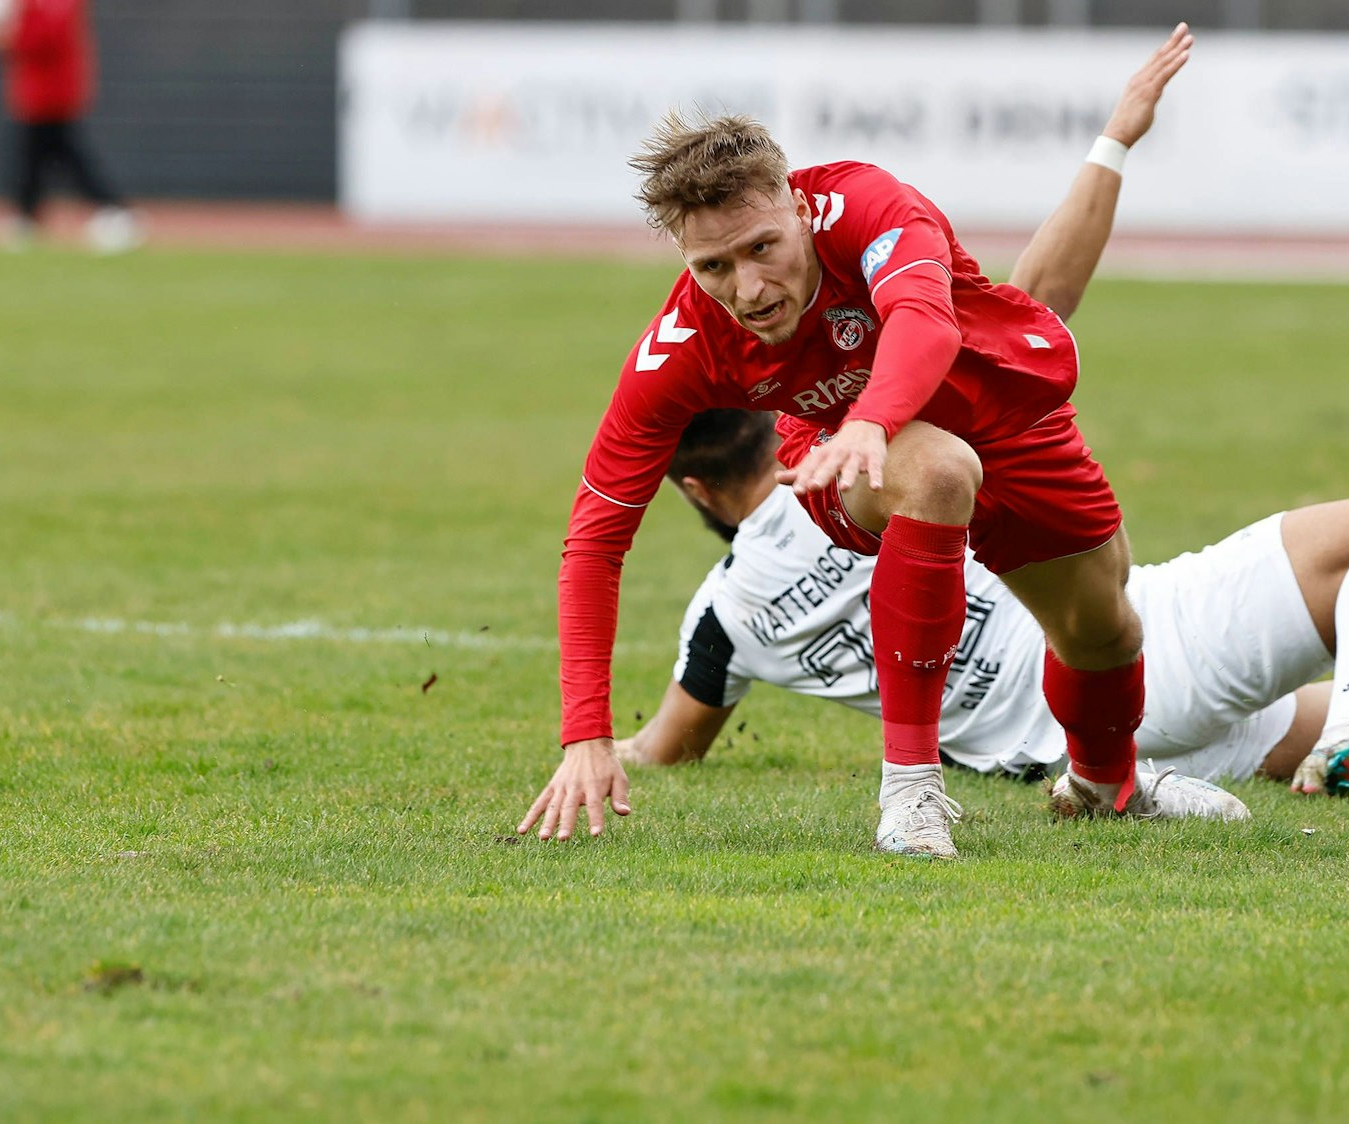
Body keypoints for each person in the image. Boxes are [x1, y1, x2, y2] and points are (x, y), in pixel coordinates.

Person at [520, 26, 1219, 856]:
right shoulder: (681, 345)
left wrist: (871, 418)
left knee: (1105, 629)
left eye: (760, 249)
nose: (746, 288)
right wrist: (584, 734)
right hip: (839, 459)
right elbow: (594, 539)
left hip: (995, 424)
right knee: (933, 472)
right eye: (712, 266)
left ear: (794, 201)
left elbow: (922, 322)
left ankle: (1107, 787)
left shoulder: (869, 205)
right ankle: (911, 794)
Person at [619, 409, 1349, 803]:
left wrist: (592, 745)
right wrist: (1112, 146)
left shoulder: (723, 617)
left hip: (1072, 755)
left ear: (697, 491)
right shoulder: (877, 470)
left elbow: (671, 747)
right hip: (1135, 656)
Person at [0, 0, 139, 253]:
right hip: (34, 91)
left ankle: (112, 212)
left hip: (52, 90)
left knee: (62, 154)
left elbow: (45, 37)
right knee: (35, 155)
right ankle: (27, 216)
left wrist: (2, 39)